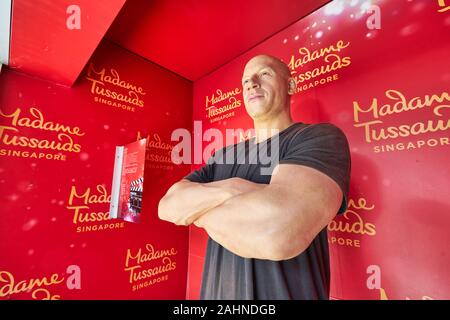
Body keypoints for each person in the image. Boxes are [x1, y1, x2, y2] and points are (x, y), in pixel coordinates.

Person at [158, 54, 351, 300]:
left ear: (290, 85)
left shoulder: (317, 138)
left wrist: (195, 210)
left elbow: (278, 232)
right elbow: (168, 207)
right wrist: (233, 188)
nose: (252, 83)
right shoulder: (223, 155)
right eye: (246, 81)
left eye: (265, 74)